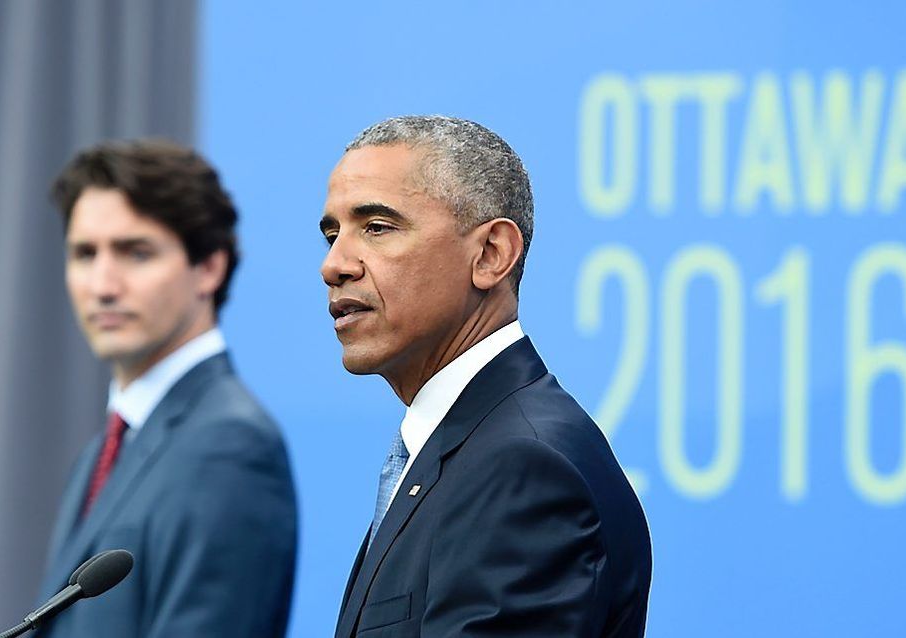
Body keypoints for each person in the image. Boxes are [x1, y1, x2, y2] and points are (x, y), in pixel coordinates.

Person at [321, 116, 652, 637]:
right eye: (332, 234)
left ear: (491, 255)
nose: (335, 264)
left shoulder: (522, 466)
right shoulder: (467, 448)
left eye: (377, 228)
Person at [36, 140, 298, 638]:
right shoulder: (105, 449)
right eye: (84, 254)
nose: (103, 284)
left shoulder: (230, 445)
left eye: (136, 252)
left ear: (209, 267)